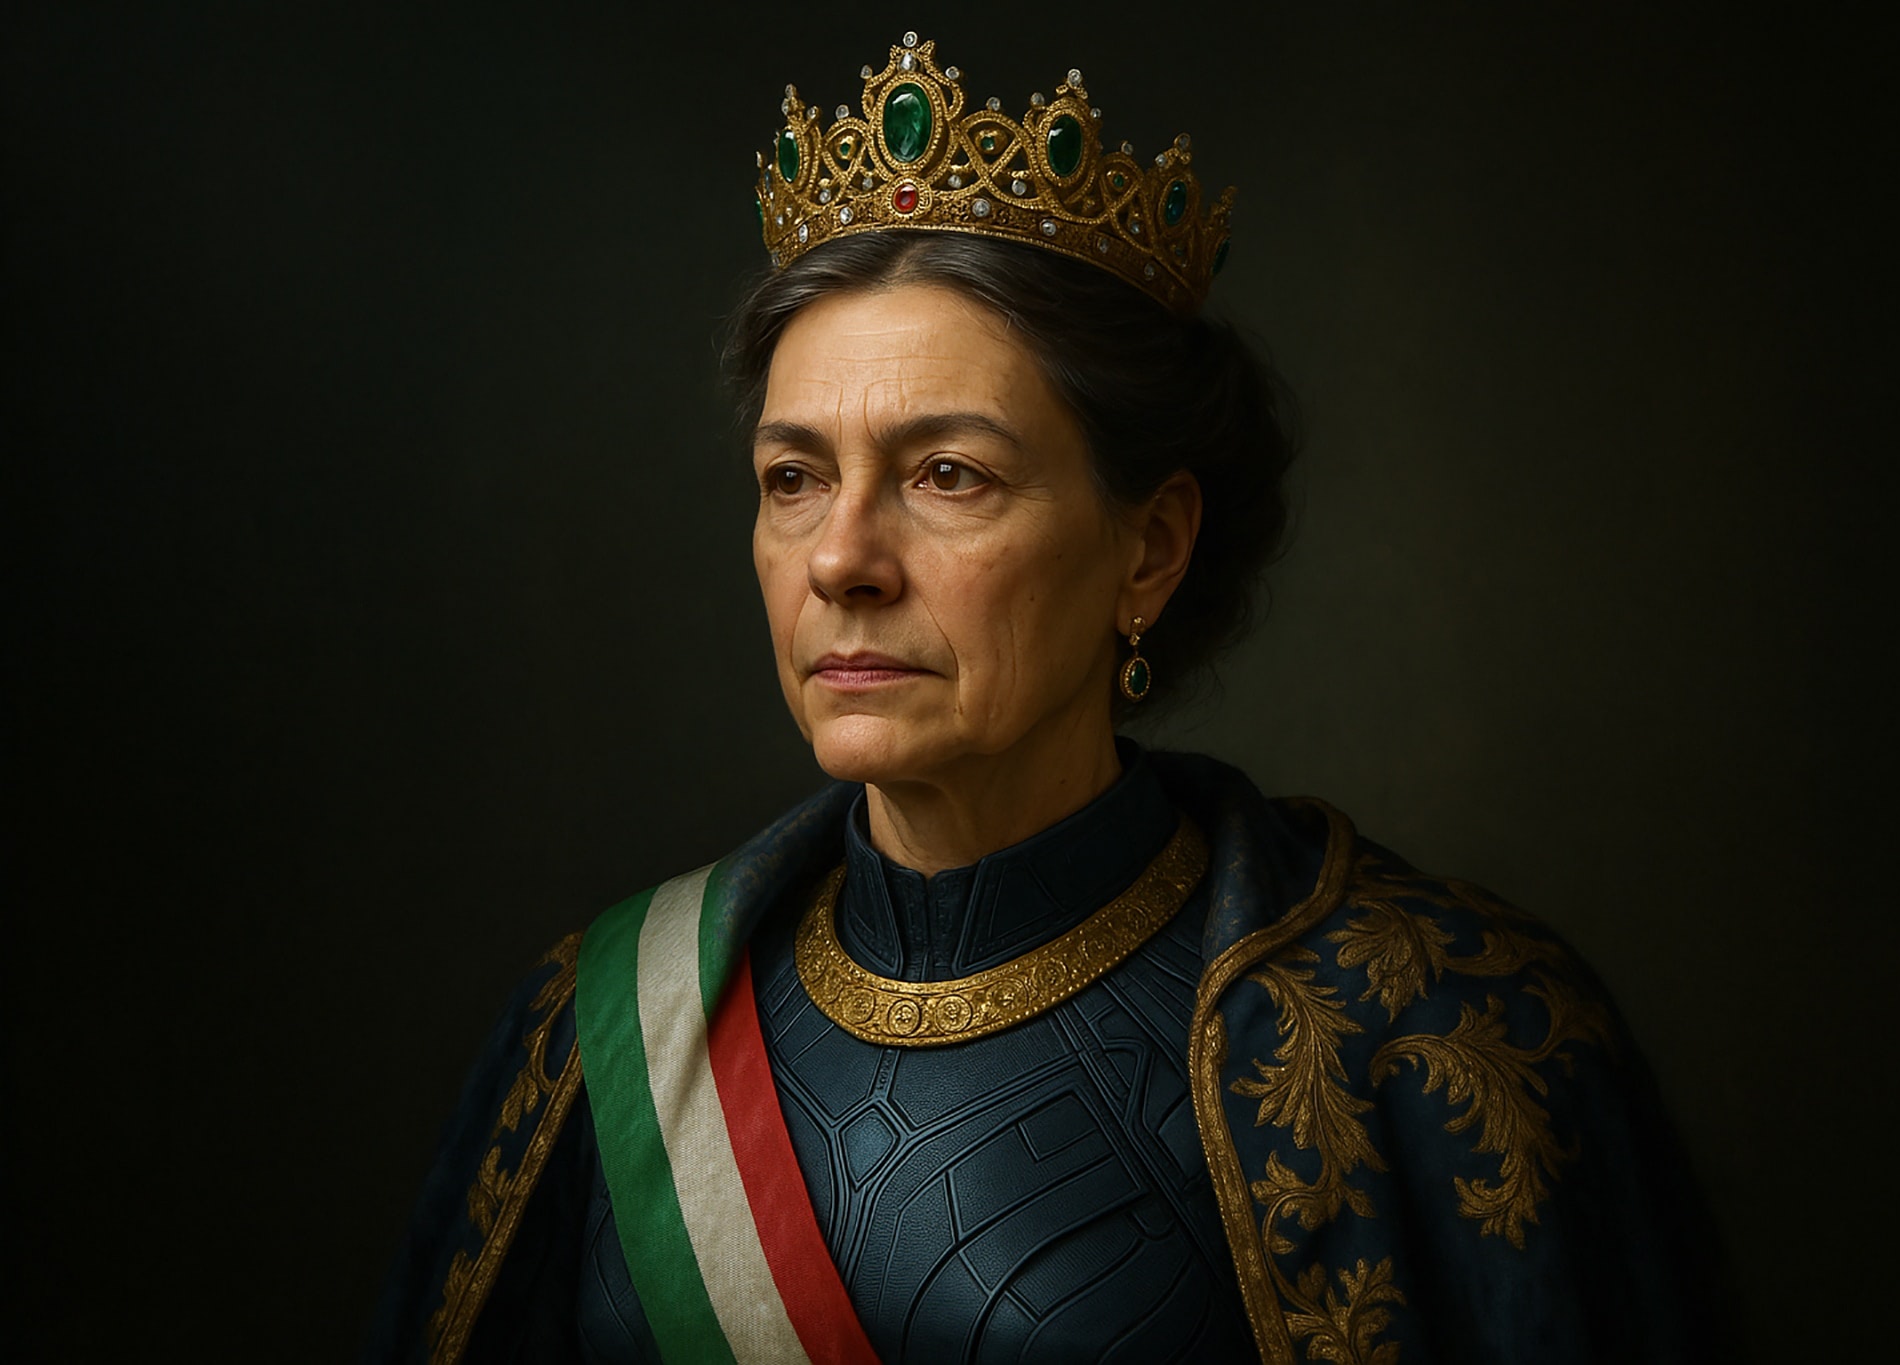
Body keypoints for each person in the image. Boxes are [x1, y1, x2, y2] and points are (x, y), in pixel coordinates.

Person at [367, 33, 1725, 1365]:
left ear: (1151, 548)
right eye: (794, 477)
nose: (841, 557)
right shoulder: (599, 1030)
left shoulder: (1439, 1032)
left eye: (948, 473)